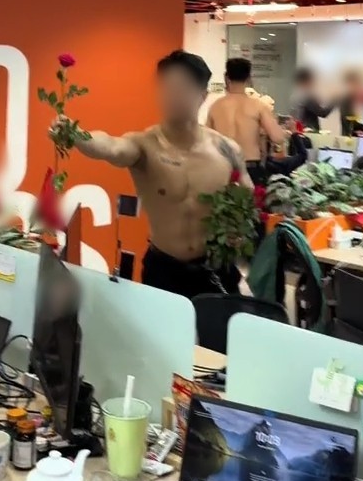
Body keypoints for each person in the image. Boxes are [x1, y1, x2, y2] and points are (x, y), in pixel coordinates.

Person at [53, 50, 253, 298]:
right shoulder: (144, 146)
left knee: (219, 325)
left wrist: (238, 229)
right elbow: (109, 146)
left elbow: (248, 194)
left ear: (202, 95)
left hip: (216, 270)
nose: (172, 95)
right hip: (165, 271)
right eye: (167, 87)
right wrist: (76, 135)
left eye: (182, 87)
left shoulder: (226, 150)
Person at [207, 58, 285, 186]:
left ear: (226, 77)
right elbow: (278, 137)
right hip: (250, 168)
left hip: (222, 168)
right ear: (249, 78)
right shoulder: (258, 106)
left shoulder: (216, 106)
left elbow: (206, 139)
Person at [290, 68, 337, 132]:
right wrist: (334, 99)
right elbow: (323, 113)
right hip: (309, 132)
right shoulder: (307, 97)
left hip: (298, 130)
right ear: (308, 81)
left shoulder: (294, 96)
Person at [339, 70, 363, 136]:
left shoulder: (354, 99)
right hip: (350, 138)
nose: (359, 87)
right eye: (356, 84)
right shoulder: (346, 101)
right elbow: (349, 122)